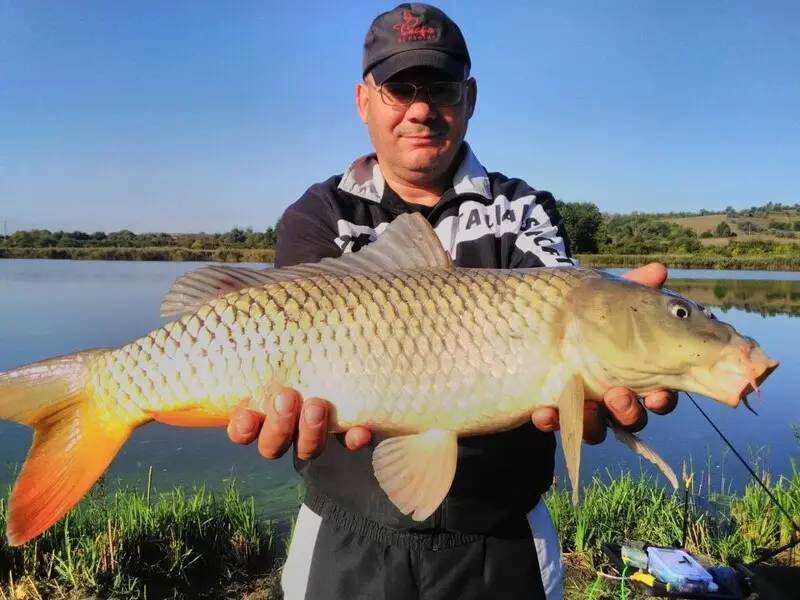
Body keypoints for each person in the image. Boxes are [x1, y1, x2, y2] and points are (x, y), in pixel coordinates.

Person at [227, 3, 677, 599]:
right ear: (364, 101)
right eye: (398, 89)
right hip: (345, 529)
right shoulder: (320, 214)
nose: (420, 109)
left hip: (501, 534)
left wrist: (622, 332)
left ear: (469, 98)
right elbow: (282, 343)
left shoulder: (522, 209)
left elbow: (567, 311)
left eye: (438, 87)